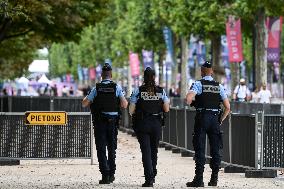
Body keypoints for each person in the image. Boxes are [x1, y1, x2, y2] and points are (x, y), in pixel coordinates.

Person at [185, 61, 230, 187]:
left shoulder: (198, 84)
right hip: (215, 119)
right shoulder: (219, 86)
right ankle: (214, 179)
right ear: (212, 72)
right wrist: (220, 119)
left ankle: (199, 179)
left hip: (202, 118)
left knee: (200, 147)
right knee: (215, 149)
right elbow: (227, 107)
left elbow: (188, 100)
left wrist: (193, 99)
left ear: (201, 71)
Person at [82, 63, 128, 184]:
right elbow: (124, 104)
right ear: (111, 75)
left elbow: (85, 103)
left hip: (100, 122)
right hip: (113, 122)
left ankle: (105, 175)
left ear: (101, 76)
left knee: (101, 148)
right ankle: (112, 173)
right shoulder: (116, 87)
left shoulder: (96, 88)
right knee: (112, 148)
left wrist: (88, 97)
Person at [129, 67, 170, 187]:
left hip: (143, 123)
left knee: (145, 151)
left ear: (144, 77)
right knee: (154, 150)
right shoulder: (161, 91)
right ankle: (153, 172)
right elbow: (166, 109)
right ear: (154, 77)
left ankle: (149, 179)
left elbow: (131, 110)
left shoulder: (138, 91)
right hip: (156, 123)